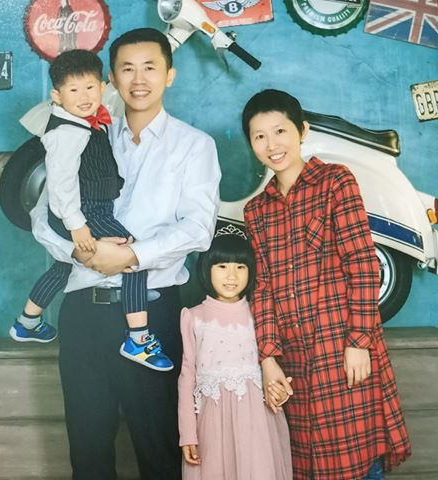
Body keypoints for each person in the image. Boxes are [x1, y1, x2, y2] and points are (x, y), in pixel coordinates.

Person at [29, 28, 221, 480]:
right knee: (88, 451)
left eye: (150, 67)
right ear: (111, 80)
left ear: (169, 75)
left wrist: (131, 257)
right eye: (126, 69)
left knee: (158, 450)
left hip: (151, 315)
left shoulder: (194, 145)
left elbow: (198, 229)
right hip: (83, 313)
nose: (138, 79)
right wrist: (84, 253)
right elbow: (42, 215)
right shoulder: (81, 132)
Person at [242, 89, 411, 480]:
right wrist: (268, 359)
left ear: (302, 131)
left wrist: (359, 342)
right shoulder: (256, 210)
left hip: (343, 348)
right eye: (260, 136)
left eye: (280, 131)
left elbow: (363, 265)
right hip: (294, 360)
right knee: (308, 463)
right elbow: (262, 289)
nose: (272, 144)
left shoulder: (336, 181)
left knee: (358, 460)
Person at [10, 49, 173, 371]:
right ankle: (138, 339)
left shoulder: (92, 113)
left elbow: (117, 88)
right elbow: (61, 185)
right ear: (57, 97)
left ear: (101, 87)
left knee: (64, 265)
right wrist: (77, 225)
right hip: (84, 211)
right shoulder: (66, 133)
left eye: (89, 88)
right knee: (133, 257)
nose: (84, 97)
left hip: (88, 207)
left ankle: (27, 321)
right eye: (73, 90)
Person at [178, 232, 293, 480]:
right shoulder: (193, 316)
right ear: (207, 269)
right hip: (212, 422)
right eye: (222, 266)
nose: (232, 276)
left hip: (257, 421)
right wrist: (187, 434)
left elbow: (273, 367)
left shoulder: (260, 314)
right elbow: (187, 377)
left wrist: (280, 392)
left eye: (240, 267)